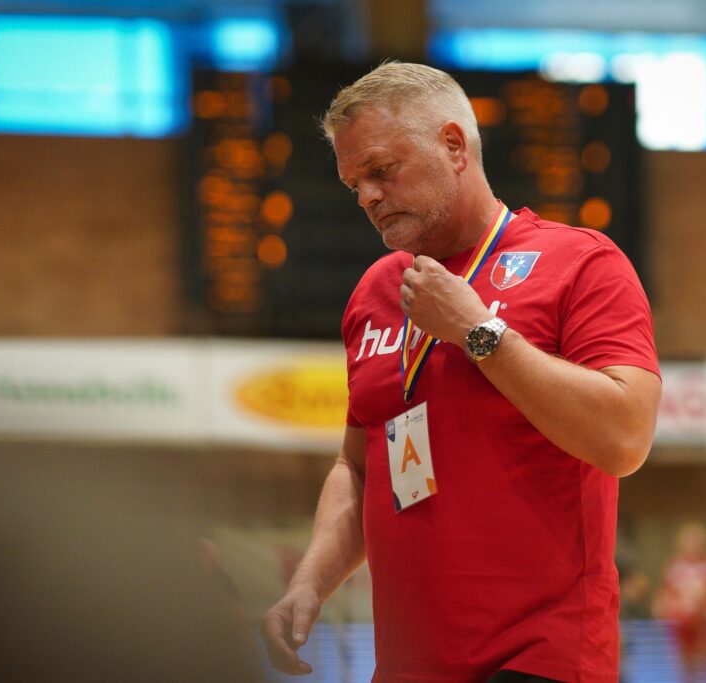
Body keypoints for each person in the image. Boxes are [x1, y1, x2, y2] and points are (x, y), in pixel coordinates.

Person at [260, 62, 661, 682]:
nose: (366, 196)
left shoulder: (581, 263)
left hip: (541, 659)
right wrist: (311, 580)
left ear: (453, 146)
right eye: (353, 184)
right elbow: (360, 465)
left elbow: (626, 437)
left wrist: (479, 332)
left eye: (380, 170)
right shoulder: (375, 292)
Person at [652, 523, 706, 683]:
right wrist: (661, 608)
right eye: (689, 542)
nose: (693, 546)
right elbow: (665, 591)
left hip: (704, 620)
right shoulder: (674, 563)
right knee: (685, 664)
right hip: (681, 621)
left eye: (696, 542)